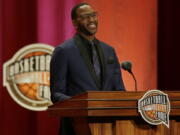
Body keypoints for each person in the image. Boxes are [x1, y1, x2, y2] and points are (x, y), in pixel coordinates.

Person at [50, 2, 125, 135]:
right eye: (85, 17)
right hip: (76, 126)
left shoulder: (109, 51)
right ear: (74, 23)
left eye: (93, 15)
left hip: (109, 126)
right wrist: (84, 105)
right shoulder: (63, 51)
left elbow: (119, 90)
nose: (91, 20)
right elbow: (56, 94)